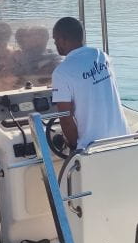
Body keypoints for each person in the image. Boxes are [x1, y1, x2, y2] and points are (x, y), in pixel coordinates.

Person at [51, 16, 128, 151]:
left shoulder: (61, 72)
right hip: (124, 138)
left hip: (93, 148)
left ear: (62, 40)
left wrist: (75, 147)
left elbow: (66, 119)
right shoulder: (102, 56)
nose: (55, 44)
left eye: (55, 39)